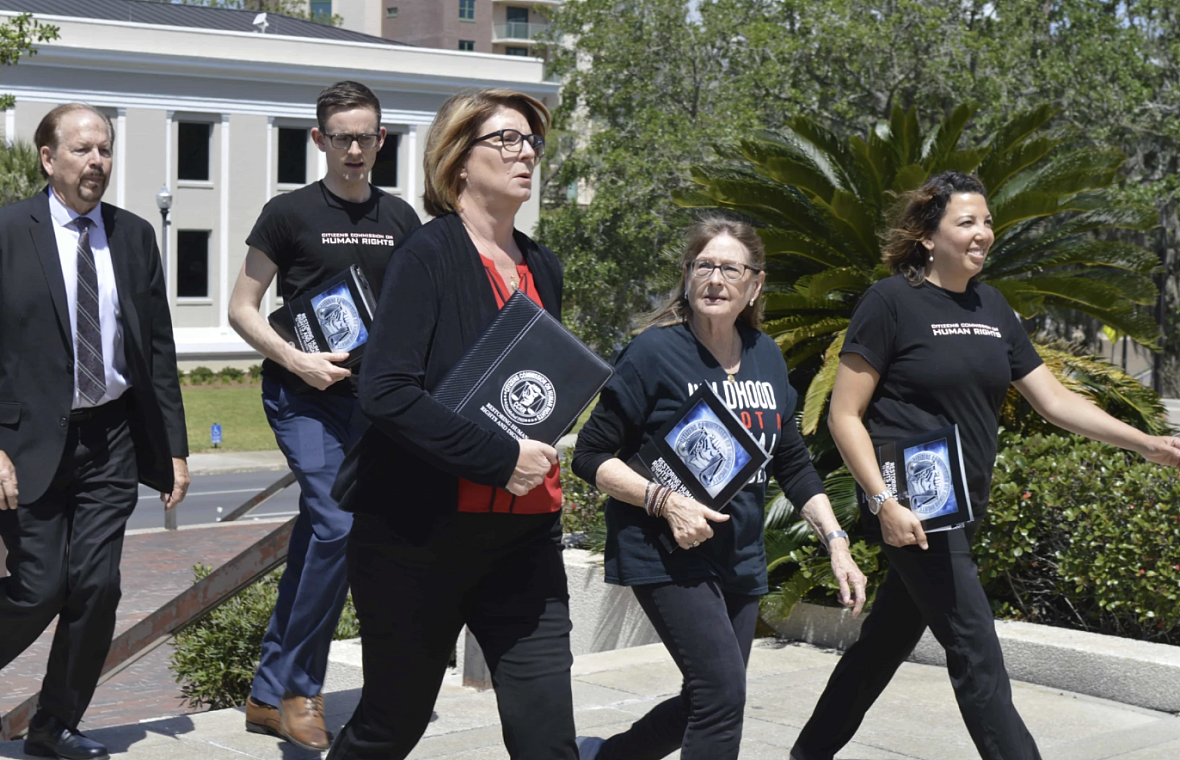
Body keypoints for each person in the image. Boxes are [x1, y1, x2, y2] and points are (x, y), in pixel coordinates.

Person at [789, 171, 1180, 760]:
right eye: (966, 222)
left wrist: (1143, 442)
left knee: (882, 645)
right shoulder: (891, 301)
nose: (983, 233)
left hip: (964, 505)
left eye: (988, 221)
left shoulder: (992, 306)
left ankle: (807, 753)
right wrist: (881, 501)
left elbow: (1053, 400)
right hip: (914, 507)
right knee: (977, 657)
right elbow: (845, 414)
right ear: (927, 235)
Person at [325, 88, 573, 760]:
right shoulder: (427, 256)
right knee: (390, 726)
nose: (525, 154)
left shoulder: (541, 265)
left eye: (531, 142)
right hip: (415, 540)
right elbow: (386, 391)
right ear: (460, 161)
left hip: (523, 538)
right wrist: (499, 458)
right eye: (507, 141)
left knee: (549, 737)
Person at [571, 218, 867, 760]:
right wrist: (663, 500)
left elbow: (792, 461)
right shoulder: (653, 353)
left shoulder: (766, 356)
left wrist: (837, 542)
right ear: (686, 276)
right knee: (721, 694)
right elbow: (590, 456)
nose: (715, 279)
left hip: (741, 554)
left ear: (754, 285)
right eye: (704, 266)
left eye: (730, 269)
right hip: (665, 548)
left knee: (705, 699)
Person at [227, 81, 421, 751]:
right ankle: (296, 690)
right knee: (338, 522)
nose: (355, 149)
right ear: (319, 140)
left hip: (369, 405)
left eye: (366, 136)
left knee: (323, 532)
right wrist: (297, 361)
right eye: (342, 137)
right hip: (300, 395)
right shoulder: (288, 214)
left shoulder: (400, 220)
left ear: (381, 140)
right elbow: (242, 308)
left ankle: (264, 690)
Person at [0, 103, 190, 760]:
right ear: (48, 159)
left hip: (111, 439)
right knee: (37, 587)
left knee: (98, 585)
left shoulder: (135, 236)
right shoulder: (6, 232)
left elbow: (157, 351)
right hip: (25, 443)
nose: (97, 162)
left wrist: (174, 449)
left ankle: (55, 726)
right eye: (82, 150)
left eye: (105, 149)